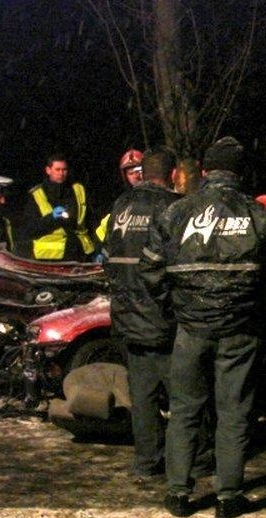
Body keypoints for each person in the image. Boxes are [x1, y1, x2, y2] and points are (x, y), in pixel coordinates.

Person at [139, 136, 266, 518]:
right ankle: (228, 496)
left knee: (185, 410)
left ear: (205, 171)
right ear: (240, 173)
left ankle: (178, 493)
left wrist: (175, 308)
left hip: (191, 330)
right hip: (240, 330)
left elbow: (150, 268)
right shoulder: (259, 215)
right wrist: (258, 308)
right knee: (234, 412)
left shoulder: (177, 213)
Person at [102, 146, 182, 481]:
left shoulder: (121, 206)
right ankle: (190, 460)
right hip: (164, 319)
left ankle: (148, 462)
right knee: (184, 396)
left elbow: (109, 258)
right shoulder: (173, 207)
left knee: (143, 397)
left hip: (128, 317)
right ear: (172, 174)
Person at [19, 153, 98, 261]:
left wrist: (97, 249)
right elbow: (29, 229)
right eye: (57, 169)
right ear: (48, 170)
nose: (61, 173)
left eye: (64, 169)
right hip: (50, 258)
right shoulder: (37, 194)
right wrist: (51, 218)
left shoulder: (78, 190)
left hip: (79, 253)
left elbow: (90, 222)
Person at [95, 148, 146, 245]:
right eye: (131, 173)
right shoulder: (122, 201)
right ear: (125, 176)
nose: (136, 176)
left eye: (138, 171)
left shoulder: (157, 197)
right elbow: (105, 229)